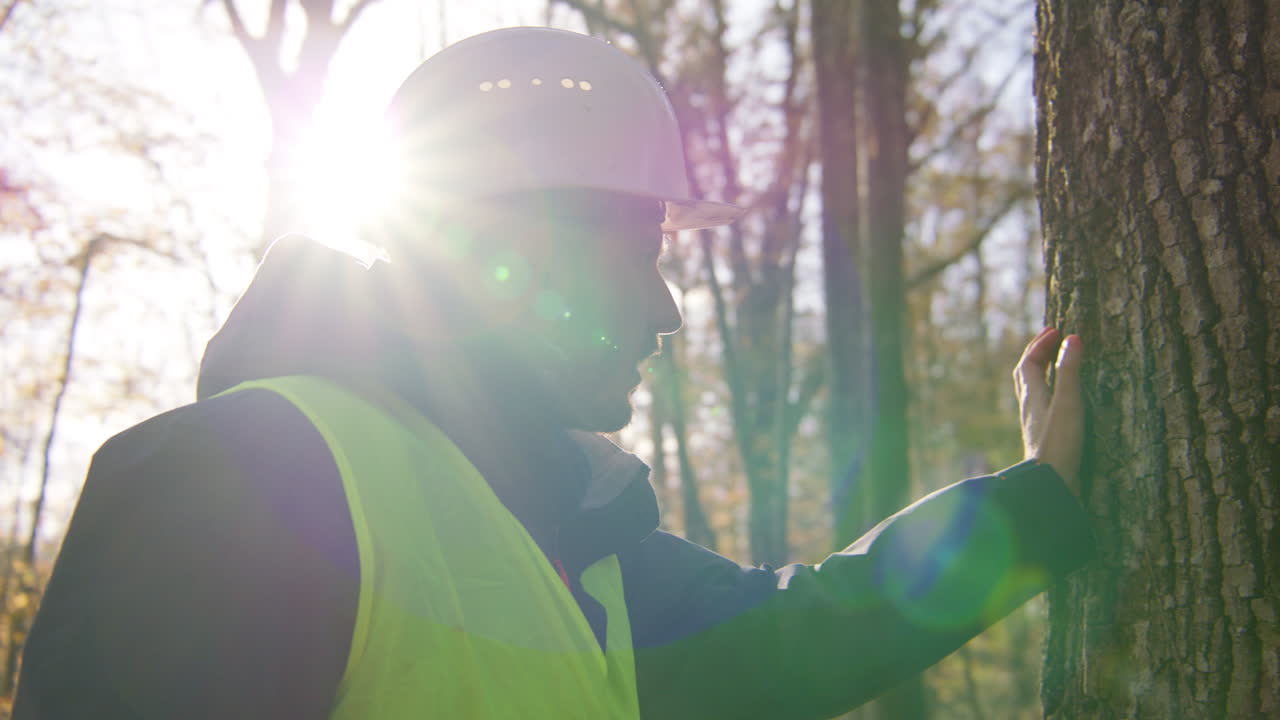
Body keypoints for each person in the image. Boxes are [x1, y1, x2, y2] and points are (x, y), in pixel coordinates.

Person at [13, 27, 1092, 719]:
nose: (666, 310)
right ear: (514, 260)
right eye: (642, 258)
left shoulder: (581, 545)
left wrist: (1036, 502)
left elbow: (809, 626)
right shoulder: (230, 478)